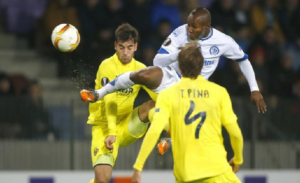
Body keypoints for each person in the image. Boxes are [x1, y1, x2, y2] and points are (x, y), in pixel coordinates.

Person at [81, 7, 266, 154]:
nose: (190, 29)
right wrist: (180, 52)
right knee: (143, 74)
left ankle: (170, 139)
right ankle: (99, 93)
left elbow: (244, 60)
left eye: (194, 27)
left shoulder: (224, 41)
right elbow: (158, 60)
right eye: (189, 24)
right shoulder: (180, 33)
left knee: (169, 111)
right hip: (172, 76)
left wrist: (254, 89)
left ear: (207, 28)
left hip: (192, 87)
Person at [132, 42, 243, 183]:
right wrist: (238, 158)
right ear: (202, 65)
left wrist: (138, 167)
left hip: (186, 175)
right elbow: (235, 133)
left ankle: (171, 136)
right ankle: (171, 136)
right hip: (217, 170)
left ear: (179, 67)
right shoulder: (219, 92)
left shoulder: (168, 94)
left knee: (154, 114)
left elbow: (154, 131)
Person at [81, 23, 156, 183]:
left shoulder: (141, 69)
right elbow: (110, 100)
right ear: (115, 46)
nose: (125, 52)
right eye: (121, 47)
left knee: (154, 104)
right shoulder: (107, 66)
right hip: (104, 127)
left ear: (136, 46)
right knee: (102, 179)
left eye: (129, 47)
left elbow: (158, 97)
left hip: (126, 123)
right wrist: (112, 133)